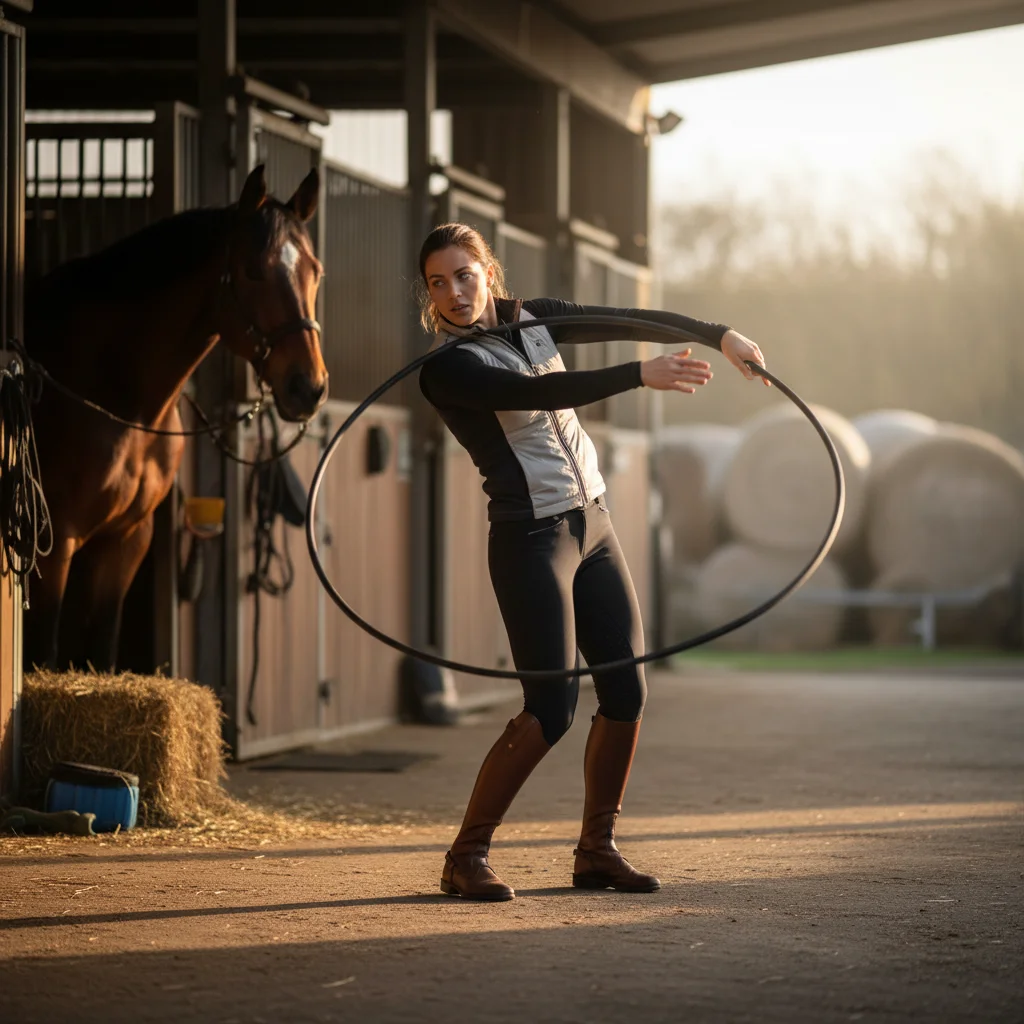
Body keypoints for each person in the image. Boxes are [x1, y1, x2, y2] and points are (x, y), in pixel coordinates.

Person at [417, 222, 768, 901]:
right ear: (429, 294)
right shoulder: (447, 368)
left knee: (627, 692)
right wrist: (639, 375)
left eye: (463, 275)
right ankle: (466, 855)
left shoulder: (537, 320)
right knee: (551, 708)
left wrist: (718, 334)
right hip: (530, 539)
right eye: (438, 283)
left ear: (487, 271)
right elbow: (538, 396)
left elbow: (627, 318)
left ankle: (597, 852)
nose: (454, 292)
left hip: (595, 525)